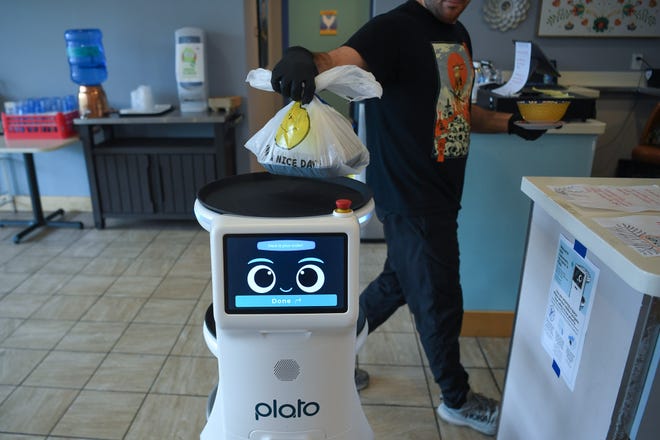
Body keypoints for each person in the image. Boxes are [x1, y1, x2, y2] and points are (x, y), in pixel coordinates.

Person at [270, 0, 543, 436]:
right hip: (410, 194)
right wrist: (305, 57)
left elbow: (457, 111)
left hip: (442, 192)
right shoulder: (392, 30)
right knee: (439, 299)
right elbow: (336, 60)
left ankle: (326, 361)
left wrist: (511, 123)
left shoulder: (459, 35)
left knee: (395, 284)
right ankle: (457, 399)